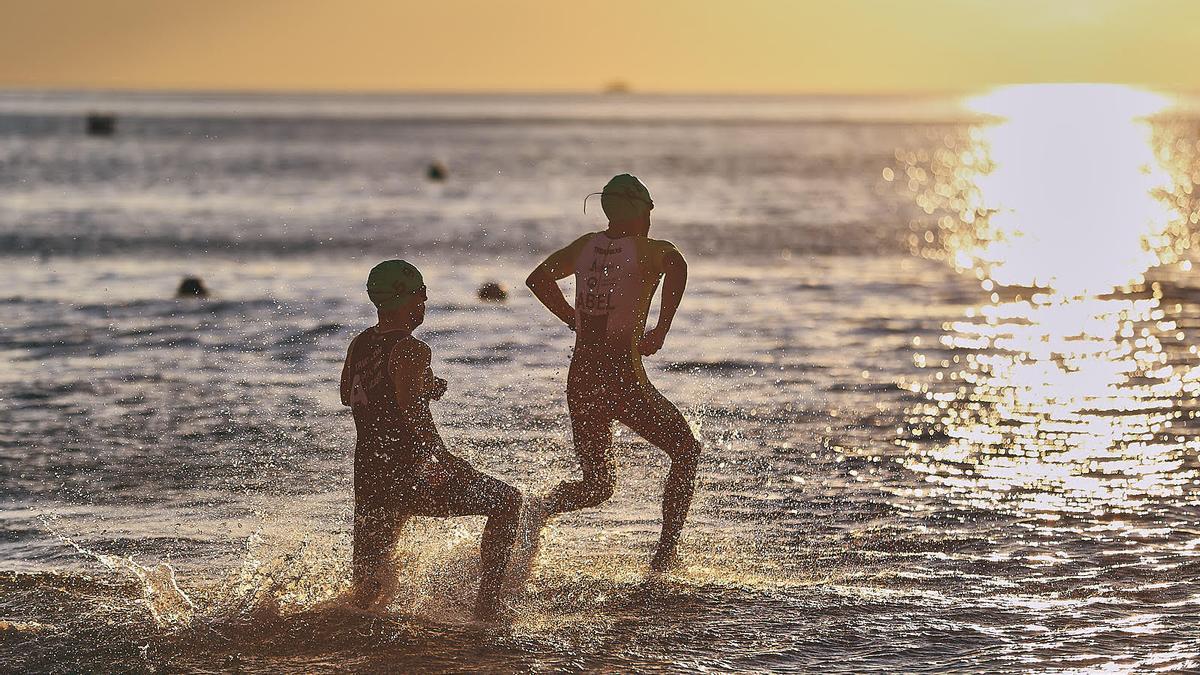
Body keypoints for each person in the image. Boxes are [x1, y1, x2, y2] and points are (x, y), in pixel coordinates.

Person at [525, 174, 701, 572]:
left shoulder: (585, 246)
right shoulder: (650, 250)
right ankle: (665, 555)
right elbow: (678, 264)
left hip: (582, 376)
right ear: (644, 212)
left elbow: (537, 279)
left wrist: (573, 318)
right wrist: (661, 329)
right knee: (686, 450)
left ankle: (535, 511)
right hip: (621, 376)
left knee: (597, 486)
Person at [340, 260, 522, 618]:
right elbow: (414, 416)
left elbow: (350, 394)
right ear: (410, 299)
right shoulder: (412, 349)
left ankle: (340, 632)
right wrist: (445, 459)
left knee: (366, 587)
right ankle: (488, 606)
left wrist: (418, 386)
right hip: (409, 472)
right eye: (421, 295)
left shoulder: (360, 343)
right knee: (506, 501)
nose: (424, 303)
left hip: (370, 473)